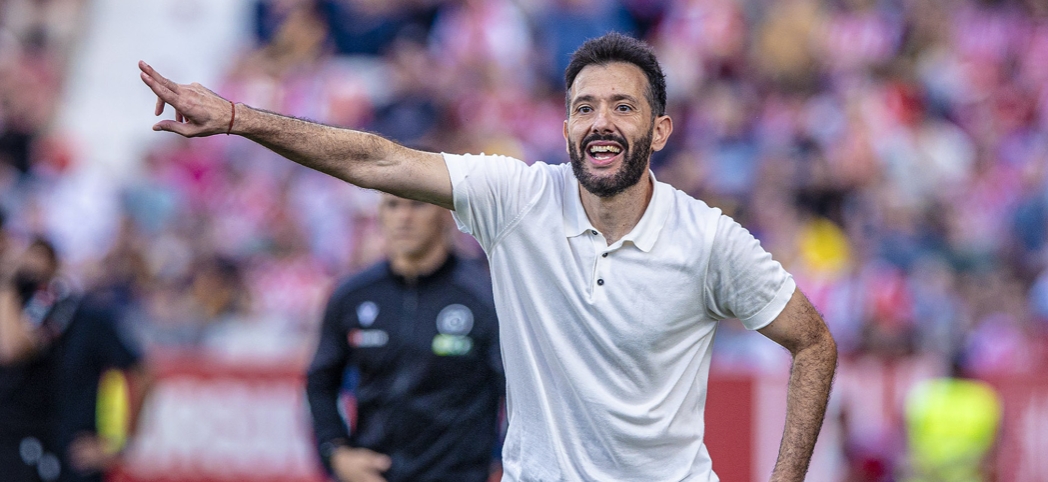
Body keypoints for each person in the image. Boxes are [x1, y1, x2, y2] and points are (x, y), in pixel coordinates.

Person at [140, 32, 838, 481]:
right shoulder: (519, 197)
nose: (600, 122)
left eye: (622, 108)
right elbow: (378, 159)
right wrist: (237, 117)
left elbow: (813, 343)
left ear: (659, 130)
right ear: (565, 124)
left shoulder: (709, 239)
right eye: (585, 106)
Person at [306, 193, 503, 482]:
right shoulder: (352, 294)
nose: (404, 217)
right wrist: (336, 452)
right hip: (377, 473)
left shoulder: (484, 296)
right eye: (392, 205)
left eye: (417, 204)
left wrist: (504, 463)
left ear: (447, 213)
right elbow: (320, 381)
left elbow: (519, 393)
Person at [0, 235, 151, 482]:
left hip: (66, 457)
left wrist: (119, 444)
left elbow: (142, 373)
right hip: (20, 450)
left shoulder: (81, 315)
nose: (28, 263)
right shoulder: (12, 309)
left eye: (38, 256)